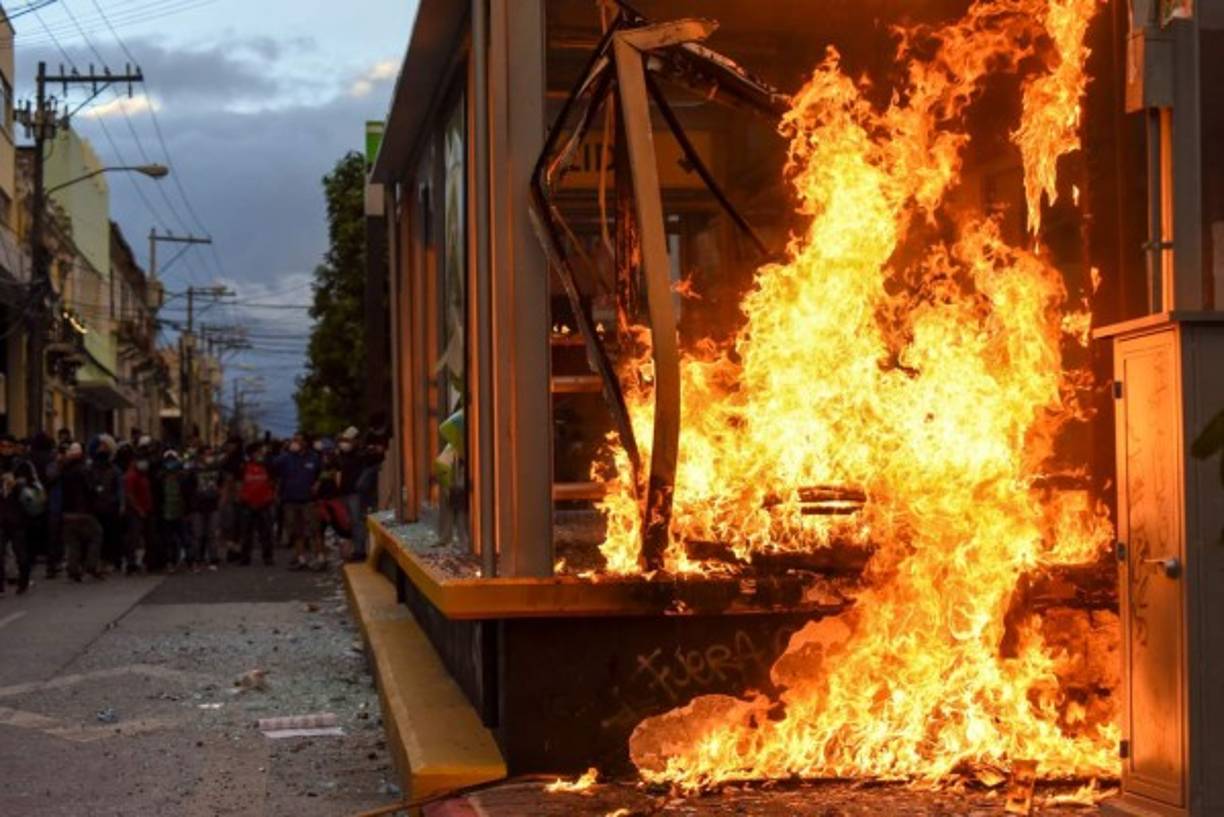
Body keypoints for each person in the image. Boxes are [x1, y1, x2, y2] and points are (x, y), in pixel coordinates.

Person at [272, 432, 323, 570]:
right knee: (296, 531)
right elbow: (272, 465)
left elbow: (321, 473)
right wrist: (286, 451)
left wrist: (317, 484)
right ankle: (301, 559)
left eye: (298, 440)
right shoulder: (286, 458)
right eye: (294, 440)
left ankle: (319, 557)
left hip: (308, 500)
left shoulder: (314, 458)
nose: (295, 442)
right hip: (290, 499)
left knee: (314, 529)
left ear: (305, 443)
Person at [59, 443, 103, 582]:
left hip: (67, 512)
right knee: (96, 534)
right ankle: (91, 565)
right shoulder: (84, 470)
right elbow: (90, 489)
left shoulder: (64, 470)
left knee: (73, 542)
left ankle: (73, 569)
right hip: (83, 511)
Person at [0, 434, 37, 595]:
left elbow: (33, 486)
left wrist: (19, 483)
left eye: (9, 446)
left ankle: (23, 581)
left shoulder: (23, 465)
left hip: (18, 514)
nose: (5, 450)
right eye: (2, 446)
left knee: (21, 552)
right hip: (1, 514)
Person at [336, 426, 380, 562]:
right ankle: (353, 549)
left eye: (348, 440)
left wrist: (373, 449)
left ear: (355, 441)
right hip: (344, 493)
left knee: (357, 522)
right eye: (343, 440)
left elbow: (375, 459)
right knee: (347, 522)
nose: (345, 443)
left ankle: (359, 551)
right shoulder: (341, 455)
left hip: (355, 494)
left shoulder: (362, 454)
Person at [89, 435, 125, 574]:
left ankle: (112, 561)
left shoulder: (113, 470)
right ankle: (105, 561)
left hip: (109, 507)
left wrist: (120, 504)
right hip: (100, 507)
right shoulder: (93, 469)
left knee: (111, 535)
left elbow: (120, 488)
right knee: (103, 535)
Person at [238, 442, 276, 566]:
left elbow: (273, 483)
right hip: (247, 504)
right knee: (246, 533)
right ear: (251, 454)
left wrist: (269, 498)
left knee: (266, 532)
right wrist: (244, 499)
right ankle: (245, 557)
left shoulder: (268, 467)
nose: (260, 455)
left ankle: (268, 557)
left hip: (264, 504)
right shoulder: (244, 467)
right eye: (257, 452)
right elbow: (240, 485)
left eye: (261, 452)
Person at [189, 448, 223, 571]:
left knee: (212, 534)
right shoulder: (193, 470)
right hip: (198, 507)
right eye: (206, 454)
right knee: (198, 534)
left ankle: (213, 558)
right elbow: (189, 488)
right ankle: (197, 559)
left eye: (211, 454)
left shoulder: (217, 469)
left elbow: (221, 485)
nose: (209, 457)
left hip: (213, 505)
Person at [123, 449, 153, 574]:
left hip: (145, 509)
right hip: (135, 512)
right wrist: (139, 509)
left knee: (145, 537)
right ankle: (131, 563)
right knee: (134, 538)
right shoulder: (131, 476)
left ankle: (143, 562)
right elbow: (129, 495)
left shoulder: (142, 475)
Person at [158, 450, 189, 572]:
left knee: (184, 538)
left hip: (180, 511)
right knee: (169, 539)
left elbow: (187, 494)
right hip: (166, 511)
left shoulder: (182, 478)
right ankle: (170, 561)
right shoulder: (161, 478)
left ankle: (189, 560)